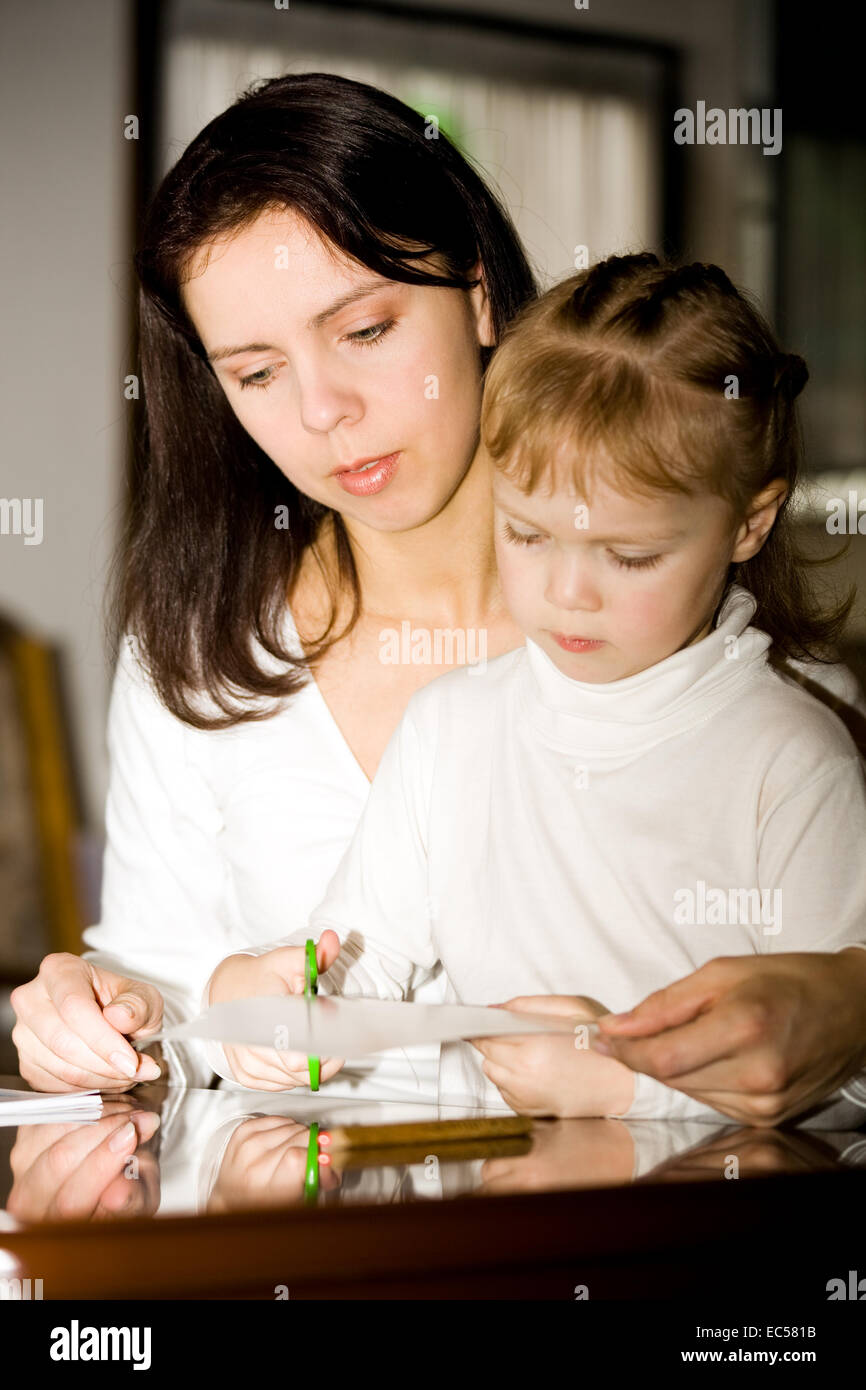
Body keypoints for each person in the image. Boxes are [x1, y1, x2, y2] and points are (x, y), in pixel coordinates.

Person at [9, 73, 866, 1122]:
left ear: (477, 294)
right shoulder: (197, 646)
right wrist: (105, 1014)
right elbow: (189, 1001)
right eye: (256, 372)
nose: (326, 411)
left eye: (364, 331)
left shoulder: (770, 708)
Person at [210, 255, 866, 1127]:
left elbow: (844, 1081)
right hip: (506, 1217)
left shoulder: (792, 757)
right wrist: (280, 1006)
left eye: (629, 556)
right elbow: (364, 960)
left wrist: (632, 1094)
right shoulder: (450, 728)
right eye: (525, 535)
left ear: (748, 522)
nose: (568, 594)